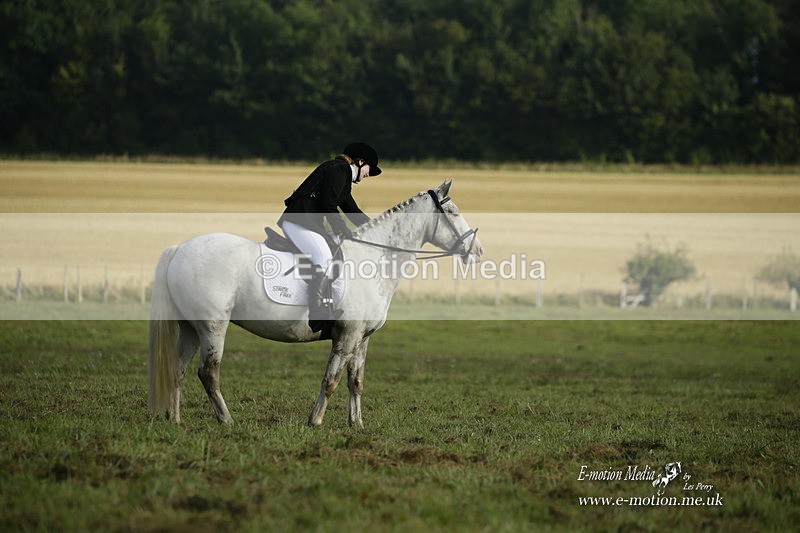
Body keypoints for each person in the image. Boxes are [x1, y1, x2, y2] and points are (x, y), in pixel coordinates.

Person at [278, 142, 381, 332]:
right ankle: (318, 313)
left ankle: (326, 306)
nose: (368, 174)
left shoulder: (341, 173)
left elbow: (352, 209)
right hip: (300, 221)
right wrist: (342, 229)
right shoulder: (339, 170)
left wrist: (376, 230)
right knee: (323, 258)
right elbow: (328, 204)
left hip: (307, 222)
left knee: (331, 253)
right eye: (369, 169)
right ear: (359, 162)